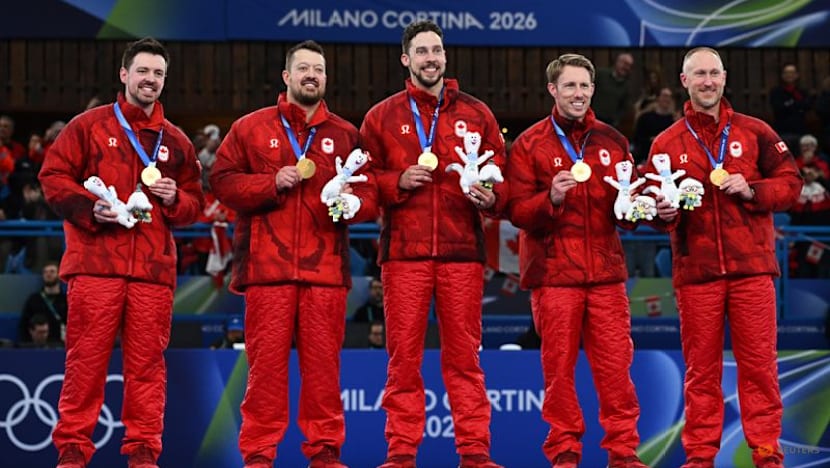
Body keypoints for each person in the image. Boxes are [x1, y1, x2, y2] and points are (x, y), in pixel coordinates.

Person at [210, 39, 378, 468]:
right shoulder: (250, 128)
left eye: (318, 70)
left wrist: (352, 204)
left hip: (325, 274)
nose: (311, 75)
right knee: (265, 375)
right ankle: (259, 457)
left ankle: (324, 454)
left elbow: (371, 191)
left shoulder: (345, 134)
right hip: (268, 273)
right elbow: (222, 181)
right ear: (286, 77)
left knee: (324, 375)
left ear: (325, 78)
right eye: (303, 68)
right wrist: (269, 183)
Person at [39, 37, 204, 468]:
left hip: (151, 272)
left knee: (148, 369)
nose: (151, 80)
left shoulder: (177, 142)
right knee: (85, 364)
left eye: (158, 74)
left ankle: (143, 454)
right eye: (144, 71)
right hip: (95, 265)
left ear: (165, 81)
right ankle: (73, 452)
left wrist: (174, 198)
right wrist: (89, 208)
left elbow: (194, 203)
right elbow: (53, 177)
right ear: (125, 74)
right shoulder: (88, 126)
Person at [359, 20, 506, 468]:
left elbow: (503, 175)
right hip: (405, 254)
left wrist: (491, 196)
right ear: (406, 59)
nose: (430, 58)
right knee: (403, 360)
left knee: (465, 360)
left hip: (462, 253)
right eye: (421, 51)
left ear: (446, 56)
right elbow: (362, 183)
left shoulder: (477, 113)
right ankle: (401, 453)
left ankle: (475, 454)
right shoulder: (381, 116)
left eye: (436, 50)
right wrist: (395, 180)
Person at [648, 47, 802, 468]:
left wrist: (753, 189)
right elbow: (651, 205)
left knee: (759, 368)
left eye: (714, 73)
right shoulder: (666, 142)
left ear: (725, 77)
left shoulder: (756, 132)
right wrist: (663, 213)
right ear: (684, 81)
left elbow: (792, 184)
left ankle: (766, 452)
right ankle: (700, 456)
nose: (708, 81)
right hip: (697, 274)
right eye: (699, 74)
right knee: (701, 373)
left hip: (752, 271)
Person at [504, 53, 646, 468]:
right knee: (558, 373)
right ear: (553, 89)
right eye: (570, 86)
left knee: (617, 371)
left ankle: (623, 452)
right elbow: (515, 211)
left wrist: (637, 209)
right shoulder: (530, 143)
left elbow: (629, 210)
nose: (578, 94)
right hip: (553, 275)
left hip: (604, 275)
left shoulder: (614, 141)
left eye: (585, 86)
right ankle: (564, 451)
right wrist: (549, 198)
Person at [17, 261, 67, 344]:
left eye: (52, 271)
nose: (48, 274)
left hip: (60, 345)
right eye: (45, 272)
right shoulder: (34, 300)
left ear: (59, 275)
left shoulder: (66, 300)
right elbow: (24, 325)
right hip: (37, 346)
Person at [592, 53, 634, 129]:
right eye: (624, 63)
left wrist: (616, 120)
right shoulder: (600, 74)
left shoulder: (627, 86)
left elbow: (624, 107)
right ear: (617, 62)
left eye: (629, 65)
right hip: (592, 118)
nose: (626, 67)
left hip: (609, 124)